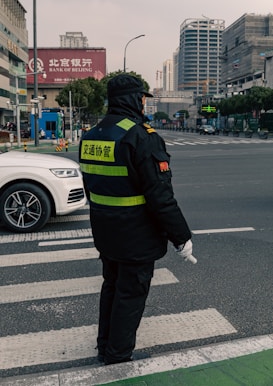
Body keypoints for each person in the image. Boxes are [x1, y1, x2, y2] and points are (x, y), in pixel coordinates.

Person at [79, 73, 194, 365]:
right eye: (142, 97)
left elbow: (89, 184)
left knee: (112, 286)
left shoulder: (91, 135)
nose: (144, 103)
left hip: (105, 230)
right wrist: (181, 236)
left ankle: (105, 346)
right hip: (135, 235)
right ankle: (117, 356)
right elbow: (161, 197)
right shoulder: (142, 137)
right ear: (133, 99)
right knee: (130, 293)